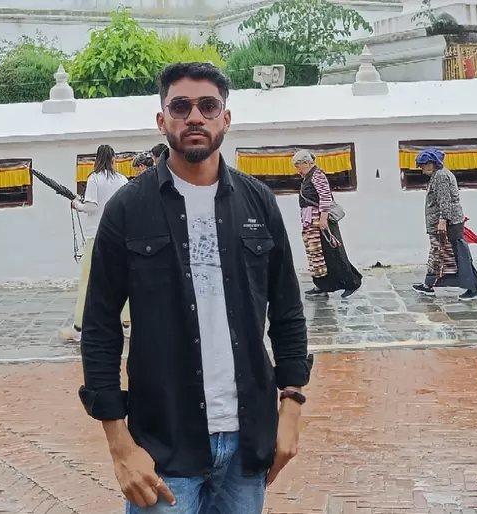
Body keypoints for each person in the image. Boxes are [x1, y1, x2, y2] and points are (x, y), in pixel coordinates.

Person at [80, 62, 311, 513]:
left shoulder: (257, 201)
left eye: (208, 105)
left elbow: (287, 311)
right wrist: (119, 445)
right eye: (180, 106)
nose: (194, 117)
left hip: (248, 440)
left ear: (225, 118)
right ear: (162, 119)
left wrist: (292, 407)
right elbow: (101, 327)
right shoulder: (129, 208)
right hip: (165, 444)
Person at [68, 144, 130, 339]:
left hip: (96, 235)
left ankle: (79, 325)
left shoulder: (94, 178)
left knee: (88, 280)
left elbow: (91, 206)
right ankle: (127, 323)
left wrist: (77, 204)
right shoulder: (122, 179)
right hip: (120, 235)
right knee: (124, 279)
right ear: (113, 159)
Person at [410, 149, 477, 300]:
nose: (422, 170)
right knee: (439, 255)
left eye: (423, 166)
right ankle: (429, 285)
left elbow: (445, 200)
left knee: (458, 256)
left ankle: (473, 289)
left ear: (431, 163)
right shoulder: (438, 175)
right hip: (445, 224)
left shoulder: (441, 176)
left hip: (448, 224)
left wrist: (443, 221)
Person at [294, 150, 362, 300]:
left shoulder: (317, 175)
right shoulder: (308, 176)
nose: (298, 170)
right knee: (317, 254)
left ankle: (352, 283)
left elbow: (325, 197)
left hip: (321, 221)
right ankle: (322, 285)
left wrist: (323, 218)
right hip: (311, 221)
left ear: (306, 163)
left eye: (299, 166)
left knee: (332, 253)